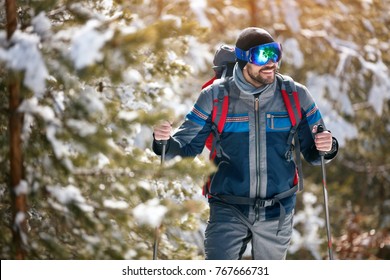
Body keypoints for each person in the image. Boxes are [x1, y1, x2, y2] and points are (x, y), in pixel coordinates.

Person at [152, 27, 338, 260]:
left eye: (275, 53)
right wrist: (164, 143)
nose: (271, 62)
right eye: (262, 56)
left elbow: (315, 152)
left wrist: (327, 145)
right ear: (243, 59)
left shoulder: (295, 95)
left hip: (277, 210)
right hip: (228, 207)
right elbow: (186, 148)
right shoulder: (215, 96)